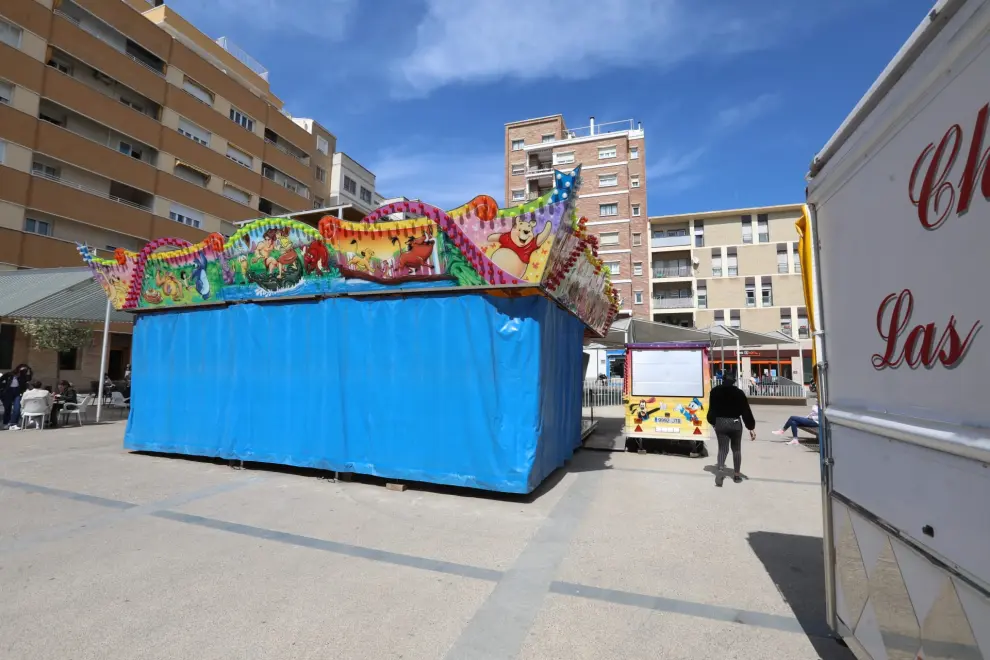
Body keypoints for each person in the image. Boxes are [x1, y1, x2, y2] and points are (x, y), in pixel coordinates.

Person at [706, 375, 757, 486]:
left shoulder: (714, 392)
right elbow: (745, 411)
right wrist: (751, 427)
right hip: (735, 423)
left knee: (722, 449)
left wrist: (713, 423)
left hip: (720, 422)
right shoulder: (739, 393)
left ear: (723, 380)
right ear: (734, 381)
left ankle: (719, 470)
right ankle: (737, 475)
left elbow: (711, 410)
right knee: (736, 449)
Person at [1, 364, 32, 430]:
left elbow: (29, 378)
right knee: (7, 408)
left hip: (17, 392)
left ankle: (13, 424)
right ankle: (6, 423)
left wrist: (30, 370)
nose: (24, 371)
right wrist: (2, 390)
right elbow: (1, 381)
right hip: (8, 392)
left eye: (25, 370)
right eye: (23, 370)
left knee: (17, 408)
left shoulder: (23, 377)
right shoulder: (9, 374)